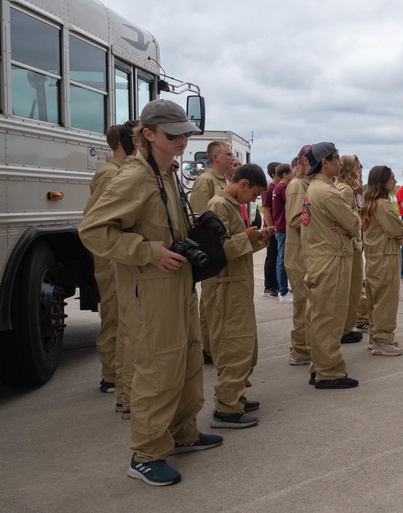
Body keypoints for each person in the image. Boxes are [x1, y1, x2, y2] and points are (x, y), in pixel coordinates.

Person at [80, 99, 221, 487]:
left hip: (176, 284)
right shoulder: (133, 178)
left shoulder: (167, 174)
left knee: (188, 359)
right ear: (148, 135)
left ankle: (182, 433)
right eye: (173, 135)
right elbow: (93, 230)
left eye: (186, 134)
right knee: (157, 369)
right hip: (150, 288)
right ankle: (145, 454)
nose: (182, 141)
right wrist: (146, 251)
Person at [203, 164, 270, 429]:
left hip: (236, 286)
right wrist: (246, 236)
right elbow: (216, 252)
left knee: (245, 346)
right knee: (234, 346)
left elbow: (235, 247)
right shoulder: (219, 206)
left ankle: (235, 395)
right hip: (225, 289)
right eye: (253, 194)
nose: (253, 200)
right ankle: (226, 409)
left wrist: (258, 238)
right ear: (243, 184)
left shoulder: (230, 205)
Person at [84, 121, 136, 415]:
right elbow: (95, 223)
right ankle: (111, 375)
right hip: (110, 260)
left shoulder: (120, 172)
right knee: (115, 317)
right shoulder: (109, 174)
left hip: (117, 258)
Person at [301, 142, 360, 389]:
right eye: (336, 158)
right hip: (331, 260)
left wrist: (348, 225)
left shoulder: (315, 188)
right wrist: (350, 224)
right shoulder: (327, 191)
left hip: (321, 258)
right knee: (330, 318)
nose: (339, 163)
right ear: (324, 162)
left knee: (321, 316)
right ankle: (329, 372)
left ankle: (320, 366)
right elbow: (354, 222)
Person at [190, 140, 235, 364]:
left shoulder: (221, 180)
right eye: (228, 154)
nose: (232, 157)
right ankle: (209, 348)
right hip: (212, 249)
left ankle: (211, 346)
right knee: (211, 302)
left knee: (215, 303)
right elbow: (199, 219)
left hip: (222, 249)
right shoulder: (205, 181)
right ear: (215, 157)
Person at [360, 165, 403, 356]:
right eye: (392, 178)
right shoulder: (382, 204)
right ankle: (383, 339)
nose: (395, 182)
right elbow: (397, 230)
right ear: (383, 182)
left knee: (375, 299)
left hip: (374, 257)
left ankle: (375, 335)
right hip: (386, 257)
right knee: (386, 301)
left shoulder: (370, 203)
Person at [284, 146, 313, 366]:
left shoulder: (308, 184)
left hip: (309, 253)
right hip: (299, 255)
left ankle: (307, 346)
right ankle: (300, 350)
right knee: (303, 304)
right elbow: (295, 219)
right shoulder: (297, 185)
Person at [338, 155, 366, 345]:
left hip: (355, 241)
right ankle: (344, 328)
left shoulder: (352, 189)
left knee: (355, 287)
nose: (360, 171)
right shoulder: (345, 190)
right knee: (352, 288)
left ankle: (347, 326)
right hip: (351, 243)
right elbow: (347, 217)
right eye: (357, 168)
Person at [272, 164, 292, 303]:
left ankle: (283, 290)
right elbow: (291, 204)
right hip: (283, 228)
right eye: (291, 173)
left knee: (281, 258)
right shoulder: (282, 188)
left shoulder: (277, 188)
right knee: (282, 259)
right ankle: (283, 291)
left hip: (280, 227)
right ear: (285, 174)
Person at [261, 162, 281, 297]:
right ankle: (269, 286)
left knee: (277, 257)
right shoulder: (270, 190)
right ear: (273, 174)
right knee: (272, 257)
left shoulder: (278, 188)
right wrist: (272, 228)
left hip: (278, 228)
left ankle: (277, 284)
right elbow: (266, 210)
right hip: (273, 229)